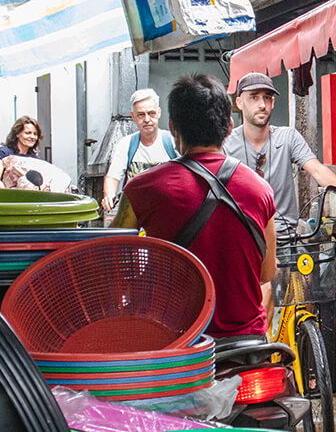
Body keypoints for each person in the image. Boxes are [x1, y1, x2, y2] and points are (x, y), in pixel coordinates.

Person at [114, 74, 277, 338]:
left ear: (172, 126)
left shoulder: (142, 188)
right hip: (246, 343)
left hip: (176, 344)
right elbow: (266, 272)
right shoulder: (260, 189)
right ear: (229, 127)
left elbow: (115, 263)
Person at [223, 72, 336, 240]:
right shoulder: (226, 144)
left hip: (284, 238)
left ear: (272, 102)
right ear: (239, 102)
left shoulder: (287, 137)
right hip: (242, 238)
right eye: (253, 98)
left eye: (267, 98)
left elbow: (316, 169)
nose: (262, 105)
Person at [102, 88, 179, 212]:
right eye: (141, 115)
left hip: (167, 213)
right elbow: (112, 177)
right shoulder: (126, 144)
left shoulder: (173, 142)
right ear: (133, 116)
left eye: (151, 113)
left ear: (159, 113)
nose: (147, 119)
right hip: (135, 214)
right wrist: (109, 196)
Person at [0, 115, 41, 188]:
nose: (32, 137)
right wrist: (8, 195)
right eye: (27, 133)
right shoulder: (3, 152)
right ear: (17, 134)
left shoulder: (35, 159)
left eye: (35, 134)